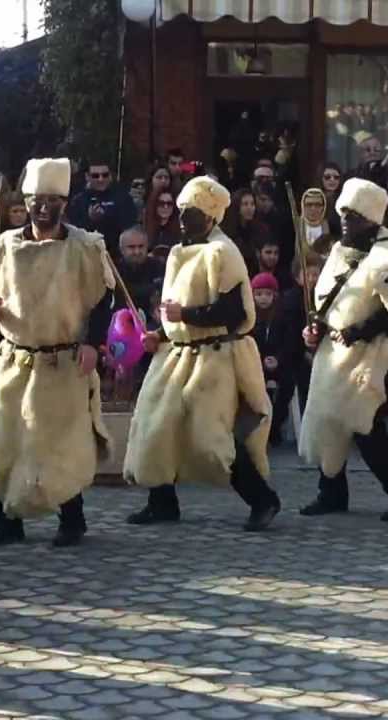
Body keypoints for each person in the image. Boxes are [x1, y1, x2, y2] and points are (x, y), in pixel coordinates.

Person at [123, 176, 282, 531]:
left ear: (210, 216)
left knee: (213, 436)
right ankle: (161, 501)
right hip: (176, 353)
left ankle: (263, 499)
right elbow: (172, 309)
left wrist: (188, 317)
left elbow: (237, 313)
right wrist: (161, 333)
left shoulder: (223, 253)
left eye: (190, 212)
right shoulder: (179, 251)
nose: (182, 218)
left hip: (215, 356)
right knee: (156, 425)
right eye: (181, 211)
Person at [0, 158, 114, 549]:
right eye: (36, 199)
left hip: (63, 360)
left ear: (63, 204)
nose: (41, 207)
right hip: (16, 358)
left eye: (50, 200)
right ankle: (7, 520)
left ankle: (72, 518)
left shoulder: (85, 247)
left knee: (60, 442)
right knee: (8, 439)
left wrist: (92, 343)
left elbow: (104, 300)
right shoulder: (4, 246)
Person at [297, 178, 388, 520]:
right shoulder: (340, 251)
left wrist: (359, 331)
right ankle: (331, 492)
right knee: (329, 421)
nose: (346, 221)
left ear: (373, 221)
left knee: (366, 426)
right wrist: (316, 329)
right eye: (343, 213)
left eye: (355, 216)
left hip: (374, 354)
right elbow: (327, 302)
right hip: (334, 353)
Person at [271, 251, 323, 444]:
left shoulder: (321, 299)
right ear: (297, 276)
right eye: (307, 274)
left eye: (315, 274)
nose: (311, 279)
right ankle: (275, 427)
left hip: (313, 354)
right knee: (288, 386)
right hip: (290, 354)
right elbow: (286, 333)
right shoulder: (290, 299)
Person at [65, 161, 138, 255]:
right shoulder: (78, 200)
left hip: (117, 252)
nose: (101, 179)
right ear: (87, 177)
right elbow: (73, 230)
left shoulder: (123, 197)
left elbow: (129, 226)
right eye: (95, 176)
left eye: (105, 175)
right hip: (86, 252)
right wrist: (90, 219)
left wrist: (107, 217)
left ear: (110, 176)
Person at [249, 272, 284, 404]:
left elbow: (286, 342)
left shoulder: (281, 316)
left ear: (274, 295)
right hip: (255, 368)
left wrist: (278, 359)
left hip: (278, 367)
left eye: (268, 294)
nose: (263, 298)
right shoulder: (249, 318)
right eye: (259, 294)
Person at [115, 226, 165, 317]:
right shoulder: (114, 270)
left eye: (141, 246)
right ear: (121, 249)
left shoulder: (159, 266)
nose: (137, 252)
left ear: (147, 247)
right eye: (131, 247)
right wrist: (152, 289)